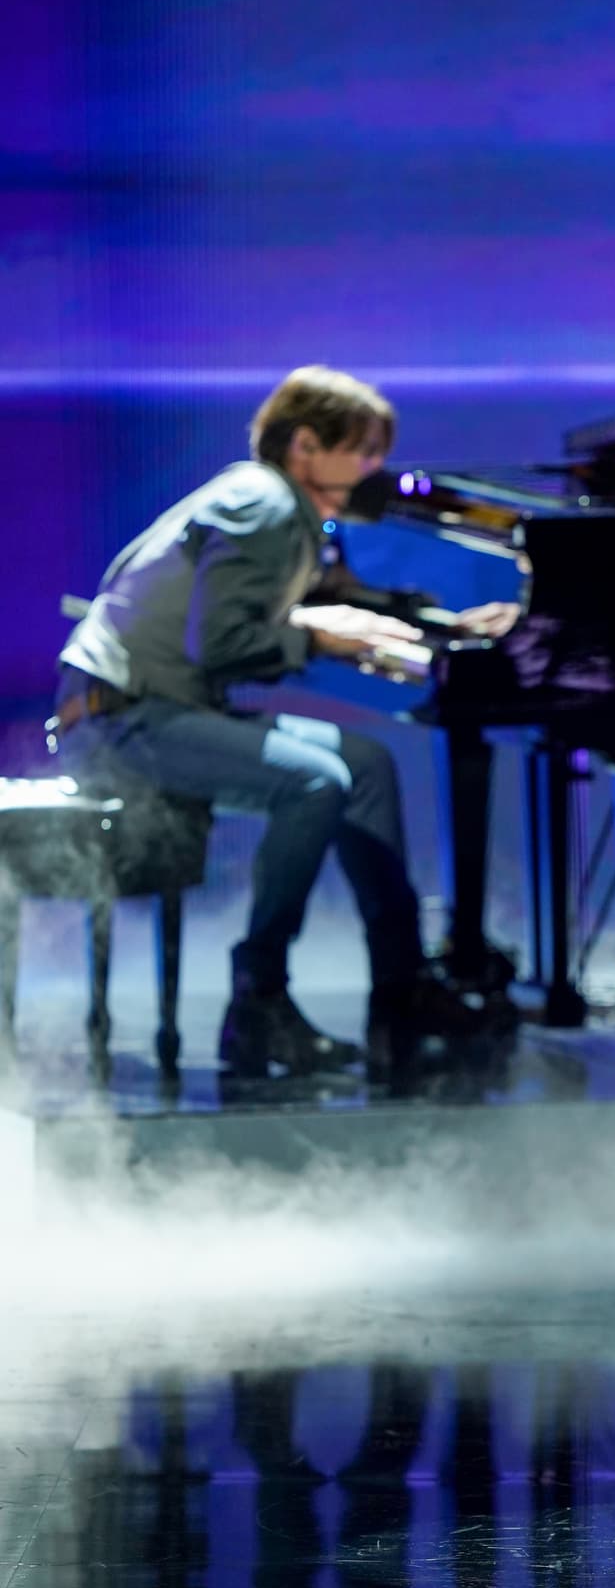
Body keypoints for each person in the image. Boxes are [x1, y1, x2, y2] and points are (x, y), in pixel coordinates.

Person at [53, 364, 504, 1083]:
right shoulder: (261, 506)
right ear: (305, 446)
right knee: (315, 781)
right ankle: (258, 996)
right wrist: (321, 638)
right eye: (361, 450)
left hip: (162, 710)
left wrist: (447, 626)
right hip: (120, 722)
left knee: (365, 765)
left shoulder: (284, 510)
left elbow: (338, 598)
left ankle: (402, 988)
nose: (373, 469)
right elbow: (221, 644)